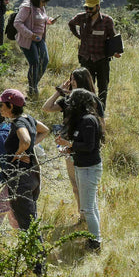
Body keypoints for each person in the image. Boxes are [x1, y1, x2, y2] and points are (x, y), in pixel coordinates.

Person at [43, 67, 101, 213]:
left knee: (87, 185)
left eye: (74, 78)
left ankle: (90, 214)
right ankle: (82, 214)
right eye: (71, 78)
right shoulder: (68, 100)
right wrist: (59, 91)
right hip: (70, 147)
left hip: (87, 147)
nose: (72, 82)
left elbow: (100, 124)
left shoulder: (94, 100)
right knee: (75, 183)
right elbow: (47, 107)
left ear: (82, 80)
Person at [54, 89, 105, 251]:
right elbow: (81, 145)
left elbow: (89, 146)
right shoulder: (82, 120)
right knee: (91, 206)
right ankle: (95, 238)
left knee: (88, 208)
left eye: (71, 103)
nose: (68, 107)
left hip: (89, 168)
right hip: (83, 166)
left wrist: (69, 145)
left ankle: (95, 242)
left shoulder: (88, 120)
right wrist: (69, 149)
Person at [0, 89, 49, 231]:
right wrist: (28, 148)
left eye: (2, 105)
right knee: (28, 220)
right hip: (30, 175)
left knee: (27, 225)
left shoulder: (18, 122)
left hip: (20, 179)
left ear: (11, 106)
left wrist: (18, 153)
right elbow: (45, 130)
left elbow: (25, 140)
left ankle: (38, 253)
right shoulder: (28, 118)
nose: (0, 108)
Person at [67, 0, 121, 111]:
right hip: (85, 58)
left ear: (98, 7)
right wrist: (78, 36)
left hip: (102, 59)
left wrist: (115, 51)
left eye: (91, 9)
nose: (88, 11)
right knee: (86, 87)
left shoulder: (107, 20)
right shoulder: (81, 18)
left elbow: (112, 36)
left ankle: (100, 112)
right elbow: (71, 23)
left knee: (103, 88)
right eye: (86, 8)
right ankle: (87, 111)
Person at [14, 0, 55, 97]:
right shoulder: (26, 7)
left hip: (39, 38)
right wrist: (31, 35)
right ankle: (32, 89)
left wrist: (49, 20)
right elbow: (17, 23)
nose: (44, 4)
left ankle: (34, 84)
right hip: (28, 39)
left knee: (45, 60)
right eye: (43, 1)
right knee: (35, 63)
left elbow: (43, 18)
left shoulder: (40, 6)